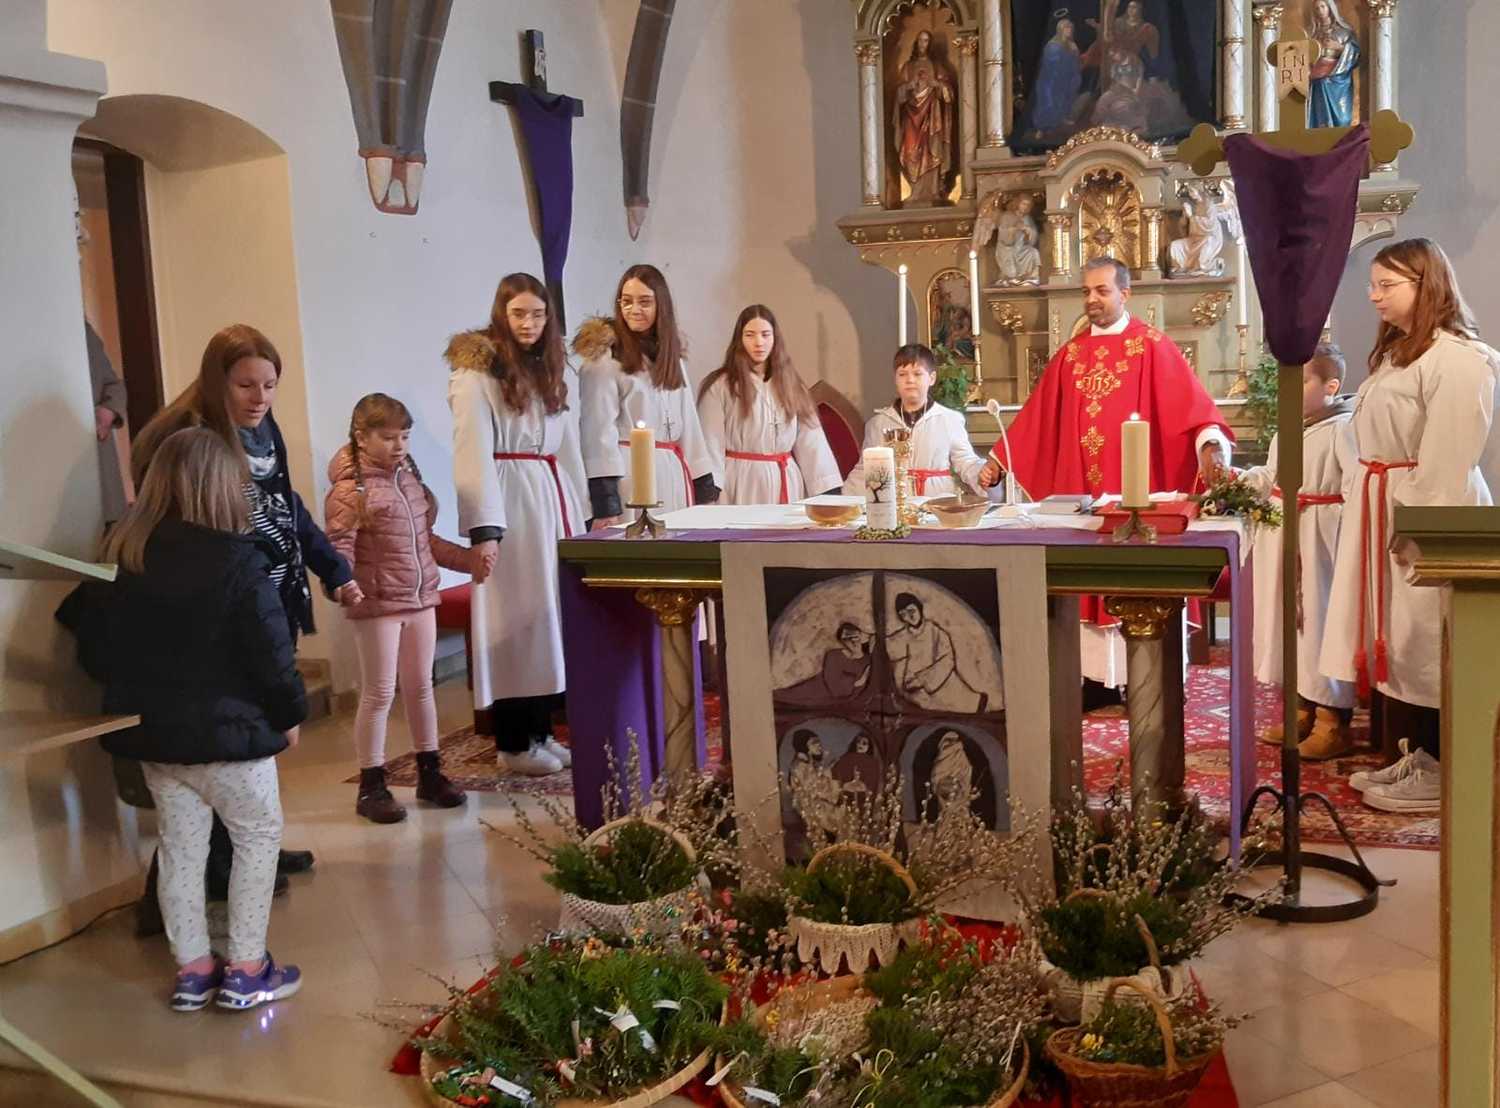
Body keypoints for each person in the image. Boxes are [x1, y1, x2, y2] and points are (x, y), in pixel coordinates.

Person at [70, 428, 307, 1012]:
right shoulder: (241, 562)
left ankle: (194, 971)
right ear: (223, 487)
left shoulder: (125, 558)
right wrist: (291, 713)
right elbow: (271, 655)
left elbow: (95, 652)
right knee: (257, 839)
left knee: (179, 849)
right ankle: (247, 969)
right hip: (235, 742)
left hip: (159, 740)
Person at [131, 324, 359, 903]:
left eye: (270, 385)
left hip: (264, 593)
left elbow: (286, 508)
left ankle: (246, 846)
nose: (260, 398)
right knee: (223, 743)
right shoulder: (187, 437)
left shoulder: (261, 430)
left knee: (250, 741)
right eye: (246, 385)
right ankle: (214, 868)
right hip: (218, 604)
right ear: (217, 381)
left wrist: (332, 568)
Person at [979, 257, 1233, 688]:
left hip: (1138, 495)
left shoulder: (1152, 346)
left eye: (1102, 290)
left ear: (1125, 293)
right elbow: (1038, 416)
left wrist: (1211, 447)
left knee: (1137, 580)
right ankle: (1093, 682)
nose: (1092, 299)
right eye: (1086, 291)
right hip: (1083, 494)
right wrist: (999, 461)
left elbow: (1193, 409)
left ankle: (1147, 679)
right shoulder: (1071, 354)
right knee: (1084, 580)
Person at [1320, 239, 1500, 813]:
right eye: (1372, 284)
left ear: (1426, 284)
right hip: (1385, 502)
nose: (1373, 295)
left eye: (1386, 285)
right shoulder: (1399, 354)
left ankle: (1445, 766)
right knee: (1400, 639)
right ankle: (1420, 755)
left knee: (1427, 637)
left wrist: (1413, 527)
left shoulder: (1461, 359)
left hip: (1424, 515)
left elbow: (1447, 458)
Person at [447, 273, 588, 775]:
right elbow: (472, 453)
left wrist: (585, 512)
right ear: (501, 315)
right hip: (511, 503)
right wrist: (485, 530)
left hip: (549, 496)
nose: (529, 324)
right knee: (515, 620)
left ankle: (541, 731)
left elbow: (567, 445)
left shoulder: (551, 369)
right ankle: (512, 742)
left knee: (545, 619)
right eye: (519, 314)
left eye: (538, 314)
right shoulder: (476, 375)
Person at [324, 394, 474, 821]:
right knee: (379, 693)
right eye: (388, 437)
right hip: (378, 604)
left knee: (420, 687)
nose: (399, 446)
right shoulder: (349, 490)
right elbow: (339, 547)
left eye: (405, 436)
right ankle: (371, 786)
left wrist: (468, 561)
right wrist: (342, 583)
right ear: (361, 437)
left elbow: (428, 541)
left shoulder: (409, 479)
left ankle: (430, 773)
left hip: (420, 598)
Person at [1238, 345, 1357, 759]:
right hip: (1285, 535)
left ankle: (1333, 720)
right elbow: (1273, 476)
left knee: (1321, 622)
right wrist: (1240, 479)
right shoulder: (1289, 429)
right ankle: (1303, 708)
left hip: (1319, 541)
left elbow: (1353, 485)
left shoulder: (1344, 429)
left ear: (1331, 386)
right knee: (1293, 625)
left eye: (1303, 381)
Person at [577, 264, 717, 526]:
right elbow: (597, 435)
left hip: (673, 475)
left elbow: (690, 427)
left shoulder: (672, 359)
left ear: (660, 305)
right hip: (630, 478)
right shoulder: (605, 360)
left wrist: (704, 488)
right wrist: (606, 504)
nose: (634, 309)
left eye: (644, 302)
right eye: (627, 301)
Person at [697, 305, 841, 505]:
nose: (759, 342)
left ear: (775, 338)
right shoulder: (721, 386)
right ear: (739, 339)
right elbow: (711, 441)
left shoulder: (791, 384)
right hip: (741, 481)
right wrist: (709, 492)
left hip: (785, 480)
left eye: (765, 334)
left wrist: (827, 489)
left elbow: (811, 440)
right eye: (750, 335)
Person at [842, 343, 988, 499]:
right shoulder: (878, 424)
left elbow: (966, 461)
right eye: (902, 374)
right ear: (895, 379)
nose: (910, 380)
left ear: (931, 378)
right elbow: (866, 470)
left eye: (917, 374)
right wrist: (845, 500)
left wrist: (984, 473)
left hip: (938, 501)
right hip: (895, 501)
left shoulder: (949, 419)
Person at [893, 29, 955, 203]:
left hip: (931, 115)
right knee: (911, 151)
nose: (923, 44)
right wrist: (909, 86)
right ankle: (916, 191)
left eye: (926, 40)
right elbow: (898, 94)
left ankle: (933, 191)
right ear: (916, 43)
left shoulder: (936, 67)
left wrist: (937, 85)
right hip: (911, 116)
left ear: (930, 44)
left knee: (932, 149)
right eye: (920, 40)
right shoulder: (908, 67)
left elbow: (949, 93)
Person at [1026, 14, 1082, 138]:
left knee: (1064, 100)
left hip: (1066, 79)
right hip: (1051, 80)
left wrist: (1074, 59)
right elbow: (1051, 64)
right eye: (1066, 28)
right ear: (1060, 29)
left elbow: (1075, 63)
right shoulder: (1053, 45)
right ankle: (1041, 128)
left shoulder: (1072, 45)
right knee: (1049, 102)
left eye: (1070, 28)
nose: (1069, 31)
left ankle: (1061, 119)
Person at [1308, 0, 1360, 129]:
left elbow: (1356, 54)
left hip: (1338, 78)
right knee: (1319, 119)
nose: (1320, 11)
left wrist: (1340, 47)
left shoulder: (1344, 31)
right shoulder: (1313, 34)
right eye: (1317, 8)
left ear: (1330, 8)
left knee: (1342, 120)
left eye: (1323, 6)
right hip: (1317, 78)